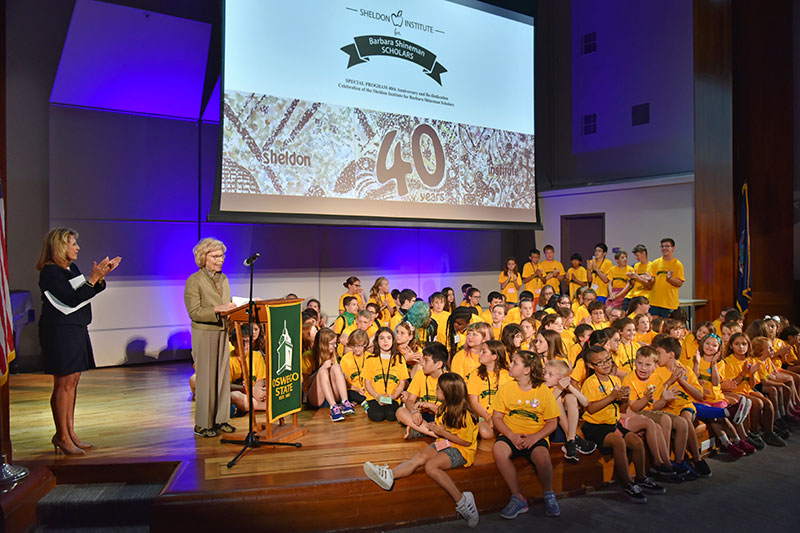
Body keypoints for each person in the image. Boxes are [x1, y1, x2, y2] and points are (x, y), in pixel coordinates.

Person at [36, 227, 121, 454]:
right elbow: (72, 299)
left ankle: (70, 433)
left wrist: (99, 278)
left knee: (72, 382)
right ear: (60, 246)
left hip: (76, 328)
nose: (78, 248)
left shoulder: (70, 268)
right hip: (59, 331)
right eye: (73, 243)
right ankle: (61, 436)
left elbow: (85, 293)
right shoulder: (50, 273)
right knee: (63, 383)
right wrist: (93, 278)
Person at [364, 372, 480, 528]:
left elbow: (466, 442)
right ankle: (389, 475)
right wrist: (430, 407)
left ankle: (463, 502)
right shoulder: (446, 407)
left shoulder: (464, 414)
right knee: (419, 457)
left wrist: (442, 433)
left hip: (461, 451)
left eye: (438, 389)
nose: (435, 391)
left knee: (431, 466)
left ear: (448, 393)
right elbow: (443, 413)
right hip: (444, 442)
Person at [580, 345, 665, 502]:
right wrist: (612, 397)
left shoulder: (615, 379)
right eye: (600, 362)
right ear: (591, 366)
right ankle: (627, 483)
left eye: (607, 360)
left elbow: (623, 409)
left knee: (636, 441)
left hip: (613, 423)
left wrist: (624, 399)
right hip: (595, 426)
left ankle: (641, 478)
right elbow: (591, 409)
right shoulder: (590, 383)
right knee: (618, 441)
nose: (605, 364)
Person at [492, 351, 562, 518]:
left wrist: (534, 437)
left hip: (535, 435)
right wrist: (511, 435)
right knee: (499, 451)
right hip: (511, 434)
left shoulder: (543, 391)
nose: (510, 365)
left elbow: (553, 422)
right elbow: (497, 417)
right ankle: (518, 497)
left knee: (543, 457)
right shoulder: (506, 388)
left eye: (515, 363)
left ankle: (548, 494)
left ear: (527, 370)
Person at [184, 237, 237, 438]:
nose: (220, 259)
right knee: (206, 380)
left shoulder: (224, 279)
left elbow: (228, 303)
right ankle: (203, 424)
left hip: (223, 331)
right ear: (203, 257)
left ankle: (221, 419)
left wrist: (235, 308)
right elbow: (194, 312)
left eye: (221, 255)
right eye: (215, 256)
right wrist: (218, 309)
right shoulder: (194, 280)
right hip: (204, 333)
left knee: (223, 377)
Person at [396, 342, 448, 438]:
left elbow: (454, 410)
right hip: (423, 415)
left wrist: (433, 407)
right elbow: (410, 400)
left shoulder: (449, 379)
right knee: (400, 411)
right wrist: (414, 411)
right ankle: (437, 434)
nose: (422, 363)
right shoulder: (420, 375)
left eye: (426, 360)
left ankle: (421, 430)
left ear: (439, 364)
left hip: (441, 416)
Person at [306, 328, 356, 422]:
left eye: (335, 343)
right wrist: (321, 369)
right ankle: (333, 408)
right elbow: (305, 384)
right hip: (316, 397)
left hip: (332, 395)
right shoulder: (308, 356)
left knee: (336, 367)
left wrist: (341, 376)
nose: (335, 346)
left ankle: (345, 402)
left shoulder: (333, 355)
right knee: (322, 371)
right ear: (323, 344)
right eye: (332, 344)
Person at [467, 340, 512, 439]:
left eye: (484, 351)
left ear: (494, 356)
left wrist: (498, 418)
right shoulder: (475, 374)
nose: (480, 354)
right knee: (486, 433)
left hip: (502, 416)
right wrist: (488, 417)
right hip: (483, 416)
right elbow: (474, 402)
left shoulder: (507, 376)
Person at [363, 327, 409, 422]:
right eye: (382, 338)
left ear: (393, 340)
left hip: (392, 397)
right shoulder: (370, 360)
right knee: (377, 416)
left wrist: (394, 396)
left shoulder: (399, 359)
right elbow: (367, 383)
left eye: (389, 338)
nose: (385, 341)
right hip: (374, 396)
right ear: (377, 341)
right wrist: (377, 396)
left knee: (392, 416)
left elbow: (402, 382)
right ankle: (366, 405)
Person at [644, 238, 685, 318]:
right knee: (654, 327)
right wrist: (649, 280)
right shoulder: (655, 263)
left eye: (667, 246)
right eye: (662, 247)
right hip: (654, 302)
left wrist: (670, 279)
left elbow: (680, 283)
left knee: (667, 327)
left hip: (669, 303)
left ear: (673, 248)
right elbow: (651, 283)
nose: (664, 248)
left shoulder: (678, 264)